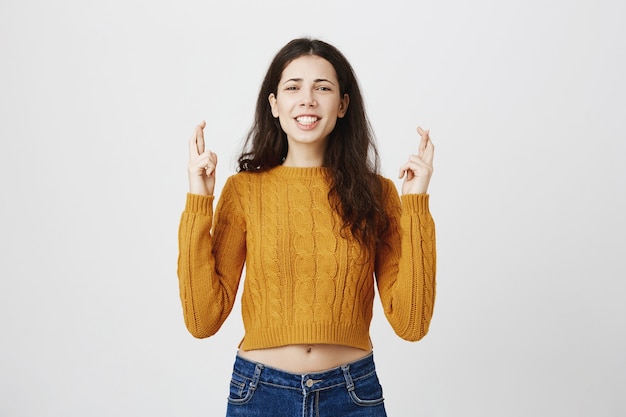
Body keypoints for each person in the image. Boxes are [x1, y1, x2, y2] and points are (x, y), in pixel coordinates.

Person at [177, 37, 436, 417]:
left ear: (343, 104)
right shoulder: (244, 190)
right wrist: (200, 200)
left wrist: (415, 202)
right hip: (260, 393)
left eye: (323, 88)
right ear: (275, 104)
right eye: (293, 87)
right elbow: (203, 319)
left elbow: (411, 323)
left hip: (353, 395)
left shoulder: (377, 193)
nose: (307, 100)